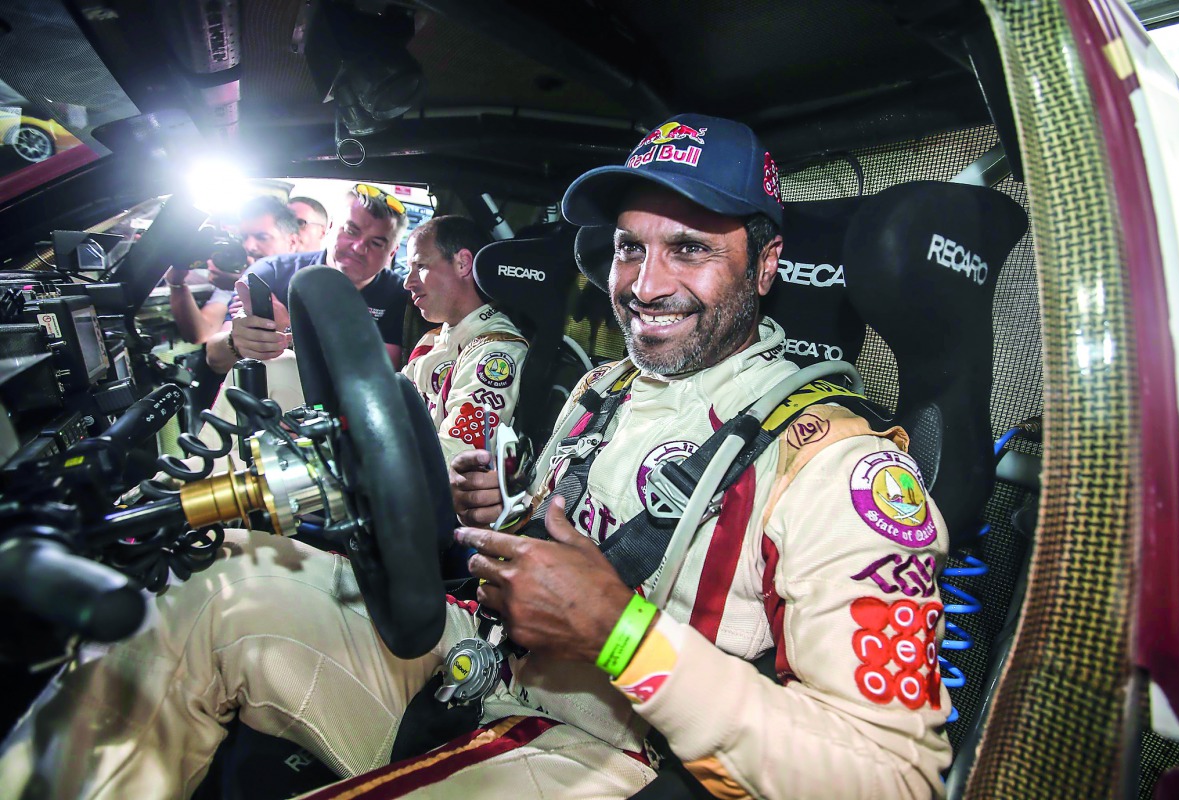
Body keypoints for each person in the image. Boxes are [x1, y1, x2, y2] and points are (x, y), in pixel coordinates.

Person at [0, 115, 951, 799]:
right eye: (628, 250)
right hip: (486, 672)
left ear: (769, 264)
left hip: (629, 759)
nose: (646, 286)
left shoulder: (846, 470)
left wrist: (620, 632)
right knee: (227, 585)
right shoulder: (603, 390)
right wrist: (501, 517)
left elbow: (892, 779)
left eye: (689, 249)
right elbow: (546, 556)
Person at [206, 184, 410, 374]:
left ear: (392, 253)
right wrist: (236, 342)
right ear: (330, 228)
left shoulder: (399, 295)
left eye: (376, 243)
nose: (358, 247)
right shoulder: (271, 273)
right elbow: (215, 359)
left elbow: (378, 373)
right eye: (350, 231)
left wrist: (289, 330)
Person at [401, 215, 528, 463]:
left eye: (421, 267)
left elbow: (456, 457)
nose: (408, 282)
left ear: (463, 264)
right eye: (408, 269)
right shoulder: (432, 340)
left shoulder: (497, 352)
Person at [165, 195, 301, 345]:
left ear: (291, 242)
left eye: (262, 237)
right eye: (244, 237)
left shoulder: (305, 282)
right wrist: (177, 282)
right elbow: (201, 334)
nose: (249, 246)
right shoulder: (237, 278)